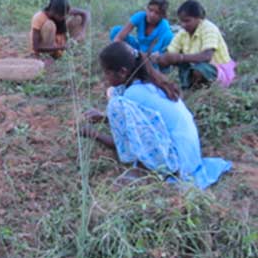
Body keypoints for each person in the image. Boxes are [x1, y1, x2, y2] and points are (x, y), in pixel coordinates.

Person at [80, 42, 231, 190]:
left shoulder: (131, 95)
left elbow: (130, 145)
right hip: (191, 156)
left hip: (179, 164)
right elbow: (146, 121)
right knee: (113, 96)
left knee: (114, 103)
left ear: (122, 72)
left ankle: (144, 170)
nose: (104, 77)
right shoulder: (150, 83)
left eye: (106, 72)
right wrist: (104, 118)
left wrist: (94, 134)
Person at [153, 0, 236, 89]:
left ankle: (200, 89)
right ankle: (187, 87)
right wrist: (160, 58)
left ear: (199, 18)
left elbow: (207, 56)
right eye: (181, 21)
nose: (183, 25)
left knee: (197, 70)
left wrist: (180, 57)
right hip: (195, 66)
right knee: (180, 63)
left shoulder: (209, 29)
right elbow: (170, 52)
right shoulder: (183, 33)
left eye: (187, 21)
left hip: (218, 69)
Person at [109, 0, 174, 66]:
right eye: (150, 10)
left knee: (152, 62)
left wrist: (134, 53)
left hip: (151, 58)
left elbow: (158, 56)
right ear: (146, 8)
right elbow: (118, 38)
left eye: (157, 13)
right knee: (116, 31)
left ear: (163, 15)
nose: (152, 15)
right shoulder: (140, 16)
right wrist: (118, 51)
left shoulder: (165, 30)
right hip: (138, 49)